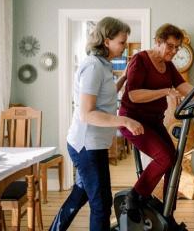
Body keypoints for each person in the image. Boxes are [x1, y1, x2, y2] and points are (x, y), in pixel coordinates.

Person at [119, 23, 194, 223]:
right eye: (170, 46)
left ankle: (168, 212)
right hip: (132, 120)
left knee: (173, 162)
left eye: (177, 47)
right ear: (158, 42)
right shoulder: (140, 60)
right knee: (165, 157)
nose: (174, 51)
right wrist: (165, 92)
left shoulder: (168, 66)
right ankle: (133, 197)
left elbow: (183, 86)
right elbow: (133, 95)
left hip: (153, 121)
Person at [49, 17, 144, 231]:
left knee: (81, 194)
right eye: (121, 42)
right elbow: (87, 113)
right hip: (86, 146)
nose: (124, 46)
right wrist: (125, 120)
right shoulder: (93, 67)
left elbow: (106, 97)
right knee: (101, 205)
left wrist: (125, 77)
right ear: (106, 40)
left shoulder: (103, 65)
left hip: (94, 144)